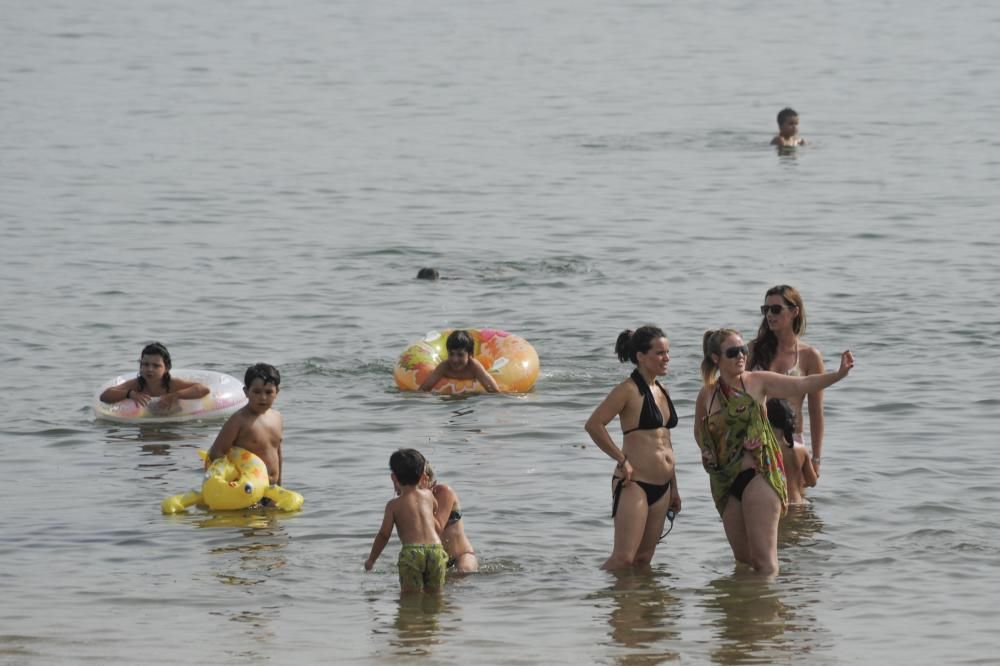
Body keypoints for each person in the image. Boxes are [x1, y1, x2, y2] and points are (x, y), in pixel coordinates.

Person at [694, 328, 853, 576]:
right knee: (744, 562)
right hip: (725, 480)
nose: (741, 356)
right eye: (733, 352)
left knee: (765, 563)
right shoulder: (707, 393)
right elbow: (700, 432)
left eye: (743, 350)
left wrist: (839, 374)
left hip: (760, 473)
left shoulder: (758, 381)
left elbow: (803, 384)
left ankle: (768, 614)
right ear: (716, 358)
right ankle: (741, 613)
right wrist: (706, 451)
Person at [585, 326, 682, 570]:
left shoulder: (661, 390)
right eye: (660, 353)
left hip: (662, 488)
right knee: (623, 559)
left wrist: (674, 488)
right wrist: (621, 459)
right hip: (634, 483)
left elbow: (666, 442)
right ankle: (590, 594)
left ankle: (638, 606)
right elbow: (594, 425)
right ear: (641, 356)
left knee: (643, 559)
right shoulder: (627, 390)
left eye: (668, 352)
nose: (667, 358)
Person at [749, 285, 826, 478]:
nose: (769, 315)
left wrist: (816, 459)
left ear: (794, 311)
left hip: (792, 442)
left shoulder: (809, 356)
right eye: (765, 310)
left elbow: (816, 412)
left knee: (795, 503)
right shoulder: (753, 350)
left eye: (775, 309)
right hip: (756, 441)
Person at [365, 449, 448, 593]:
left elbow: (384, 535)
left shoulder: (393, 505)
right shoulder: (428, 495)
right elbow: (434, 521)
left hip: (412, 553)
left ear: (393, 478)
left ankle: (411, 615)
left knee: (410, 598)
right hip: (436, 550)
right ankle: (433, 614)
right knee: (436, 595)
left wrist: (371, 560)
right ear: (423, 476)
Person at [207, 363, 284, 485]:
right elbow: (216, 452)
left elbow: (277, 452)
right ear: (246, 392)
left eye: (269, 392)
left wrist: (279, 484)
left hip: (270, 489)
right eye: (257, 392)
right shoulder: (239, 420)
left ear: (277, 392)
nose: (263, 397)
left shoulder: (277, 417)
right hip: (247, 489)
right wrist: (231, 478)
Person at [98, 342, 209, 412]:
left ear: (166, 368)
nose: (150, 369)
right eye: (145, 364)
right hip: (146, 423)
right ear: (140, 366)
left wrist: (175, 395)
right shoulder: (137, 385)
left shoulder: (172, 384)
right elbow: (105, 396)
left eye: (156, 366)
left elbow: (203, 389)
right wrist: (130, 394)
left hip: (176, 423)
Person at [424, 463, 478, 573]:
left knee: (462, 572)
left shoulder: (443, 491)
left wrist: (422, 502)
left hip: (461, 556)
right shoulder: (409, 501)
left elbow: (437, 528)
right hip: (435, 560)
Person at [766, 398, 817, 505]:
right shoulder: (801, 449)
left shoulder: (764, 449)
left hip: (775, 504)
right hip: (797, 502)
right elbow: (812, 481)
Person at [418, 330, 499, 393]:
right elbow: (424, 388)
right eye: (451, 354)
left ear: (470, 354)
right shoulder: (444, 367)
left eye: (460, 355)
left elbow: (493, 390)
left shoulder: (475, 367)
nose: (454, 359)